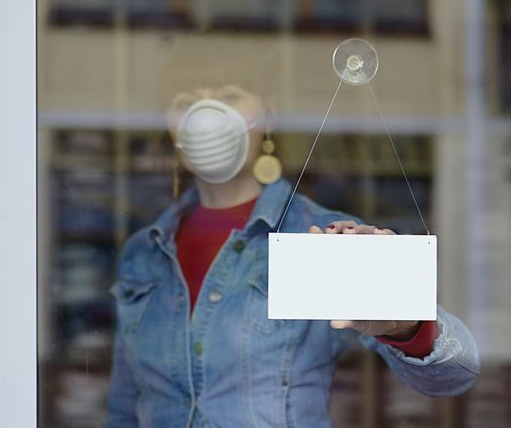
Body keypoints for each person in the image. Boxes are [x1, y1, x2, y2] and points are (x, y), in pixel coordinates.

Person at [105, 40, 479, 427]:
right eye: (186, 101)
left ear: (267, 115)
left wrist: (403, 324)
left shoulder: (321, 238)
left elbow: (455, 373)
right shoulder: (144, 251)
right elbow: (123, 410)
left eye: (229, 96)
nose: (207, 116)